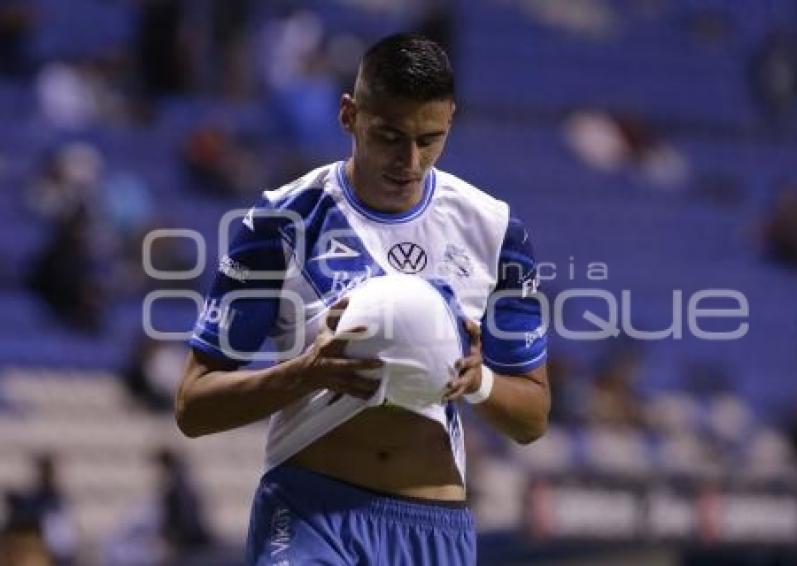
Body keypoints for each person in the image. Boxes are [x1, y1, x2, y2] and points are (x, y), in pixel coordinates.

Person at [176, 33, 549, 565]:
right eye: (390, 136)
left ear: (451, 121)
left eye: (431, 139)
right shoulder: (282, 220)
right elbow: (193, 406)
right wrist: (304, 373)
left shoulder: (492, 229)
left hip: (433, 528)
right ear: (349, 114)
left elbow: (533, 417)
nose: (411, 161)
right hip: (309, 512)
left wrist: (479, 380)